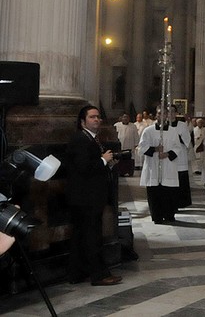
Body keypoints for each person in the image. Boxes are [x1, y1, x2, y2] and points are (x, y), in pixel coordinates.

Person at [64, 105, 122, 286]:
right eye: (92, 117)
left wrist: (108, 164)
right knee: (92, 237)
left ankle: (76, 274)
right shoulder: (81, 139)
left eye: (98, 117)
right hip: (85, 198)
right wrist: (103, 160)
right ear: (82, 122)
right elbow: (83, 167)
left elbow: (93, 166)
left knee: (82, 236)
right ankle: (99, 275)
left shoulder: (92, 139)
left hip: (88, 197)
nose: (97, 120)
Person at [138, 107, 181, 224]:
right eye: (159, 114)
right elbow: (141, 148)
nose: (161, 116)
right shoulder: (148, 131)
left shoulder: (173, 131)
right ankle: (156, 216)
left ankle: (169, 215)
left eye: (164, 114)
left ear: (167, 116)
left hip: (168, 166)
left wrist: (167, 154)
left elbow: (178, 147)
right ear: (156, 115)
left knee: (168, 192)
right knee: (154, 192)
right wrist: (155, 149)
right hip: (154, 166)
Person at [169, 104, 193, 209]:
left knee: (181, 179)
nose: (171, 114)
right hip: (168, 157)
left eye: (173, 111)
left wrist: (177, 137)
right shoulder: (163, 125)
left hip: (180, 155)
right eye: (169, 112)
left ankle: (182, 202)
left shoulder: (182, 125)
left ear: (176, 113)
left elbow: (187, 140)